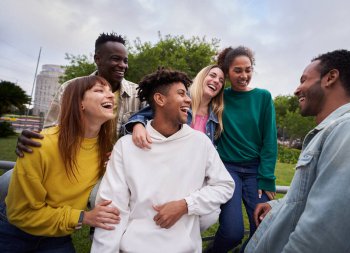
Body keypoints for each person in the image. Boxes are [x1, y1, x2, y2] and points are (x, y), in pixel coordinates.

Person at [245, 49, 350, 253]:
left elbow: (325, 238)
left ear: (330, 78)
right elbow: (314, 198)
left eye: (304, 80)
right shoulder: (335, 131)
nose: (297, 90)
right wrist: (279, 207)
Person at [90, 68, 235, 253]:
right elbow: (112, 213)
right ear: (160, 99)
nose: (189, 100)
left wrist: (185, 205)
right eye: (181, 94)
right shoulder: (126, 147)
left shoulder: (201, 143)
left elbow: (224, 186)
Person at [1, 32, 142, 203]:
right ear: (97, 59)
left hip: (114, 169)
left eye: (125, 60)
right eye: (115, 59)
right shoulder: (71, 88)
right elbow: (52, 129)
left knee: (101, 198)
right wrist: (34, 142)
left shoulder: (139, 94)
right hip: (73, 164)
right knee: (7, 181)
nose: (122, 65)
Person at [0, 76, 120, 252]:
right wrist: (84, 217)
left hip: (58, 235)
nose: (111, 96)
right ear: (80, 104)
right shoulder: (39, 145)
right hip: (16, 233)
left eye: (110, 91)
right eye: (99, 90)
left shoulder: (106, 150)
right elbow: (21, 214)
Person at [208, 46, 278, 253]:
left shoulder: (263, 97)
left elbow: (269, 141)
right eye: (237, 70)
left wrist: (267, 177)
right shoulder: (219, 96)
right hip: (227, 170)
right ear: (227, 72)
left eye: (248, 70)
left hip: (255, 172)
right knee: (232, 232)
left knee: (264, 228)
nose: (244, 75)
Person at [126, 64, 225, 148]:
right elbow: (141, 115)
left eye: (221, 80)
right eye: (212, 75)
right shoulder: (180, 102)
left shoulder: (216, 114)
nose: (217, 81)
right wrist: (137, 126)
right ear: (201, 77)